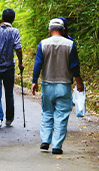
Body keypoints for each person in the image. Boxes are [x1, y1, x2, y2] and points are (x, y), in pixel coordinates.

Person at [31, 18, 84, 154]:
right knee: (61, 116)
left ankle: (45, 140)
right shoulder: (70, 44)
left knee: (47, 112)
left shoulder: (43, 44)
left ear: (49, 30)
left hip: (47, 84)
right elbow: (74, 66)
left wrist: (34, 81)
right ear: (63, 30)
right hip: (64, 85)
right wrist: (79, 82)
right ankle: (57, 146)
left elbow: (38, 64)